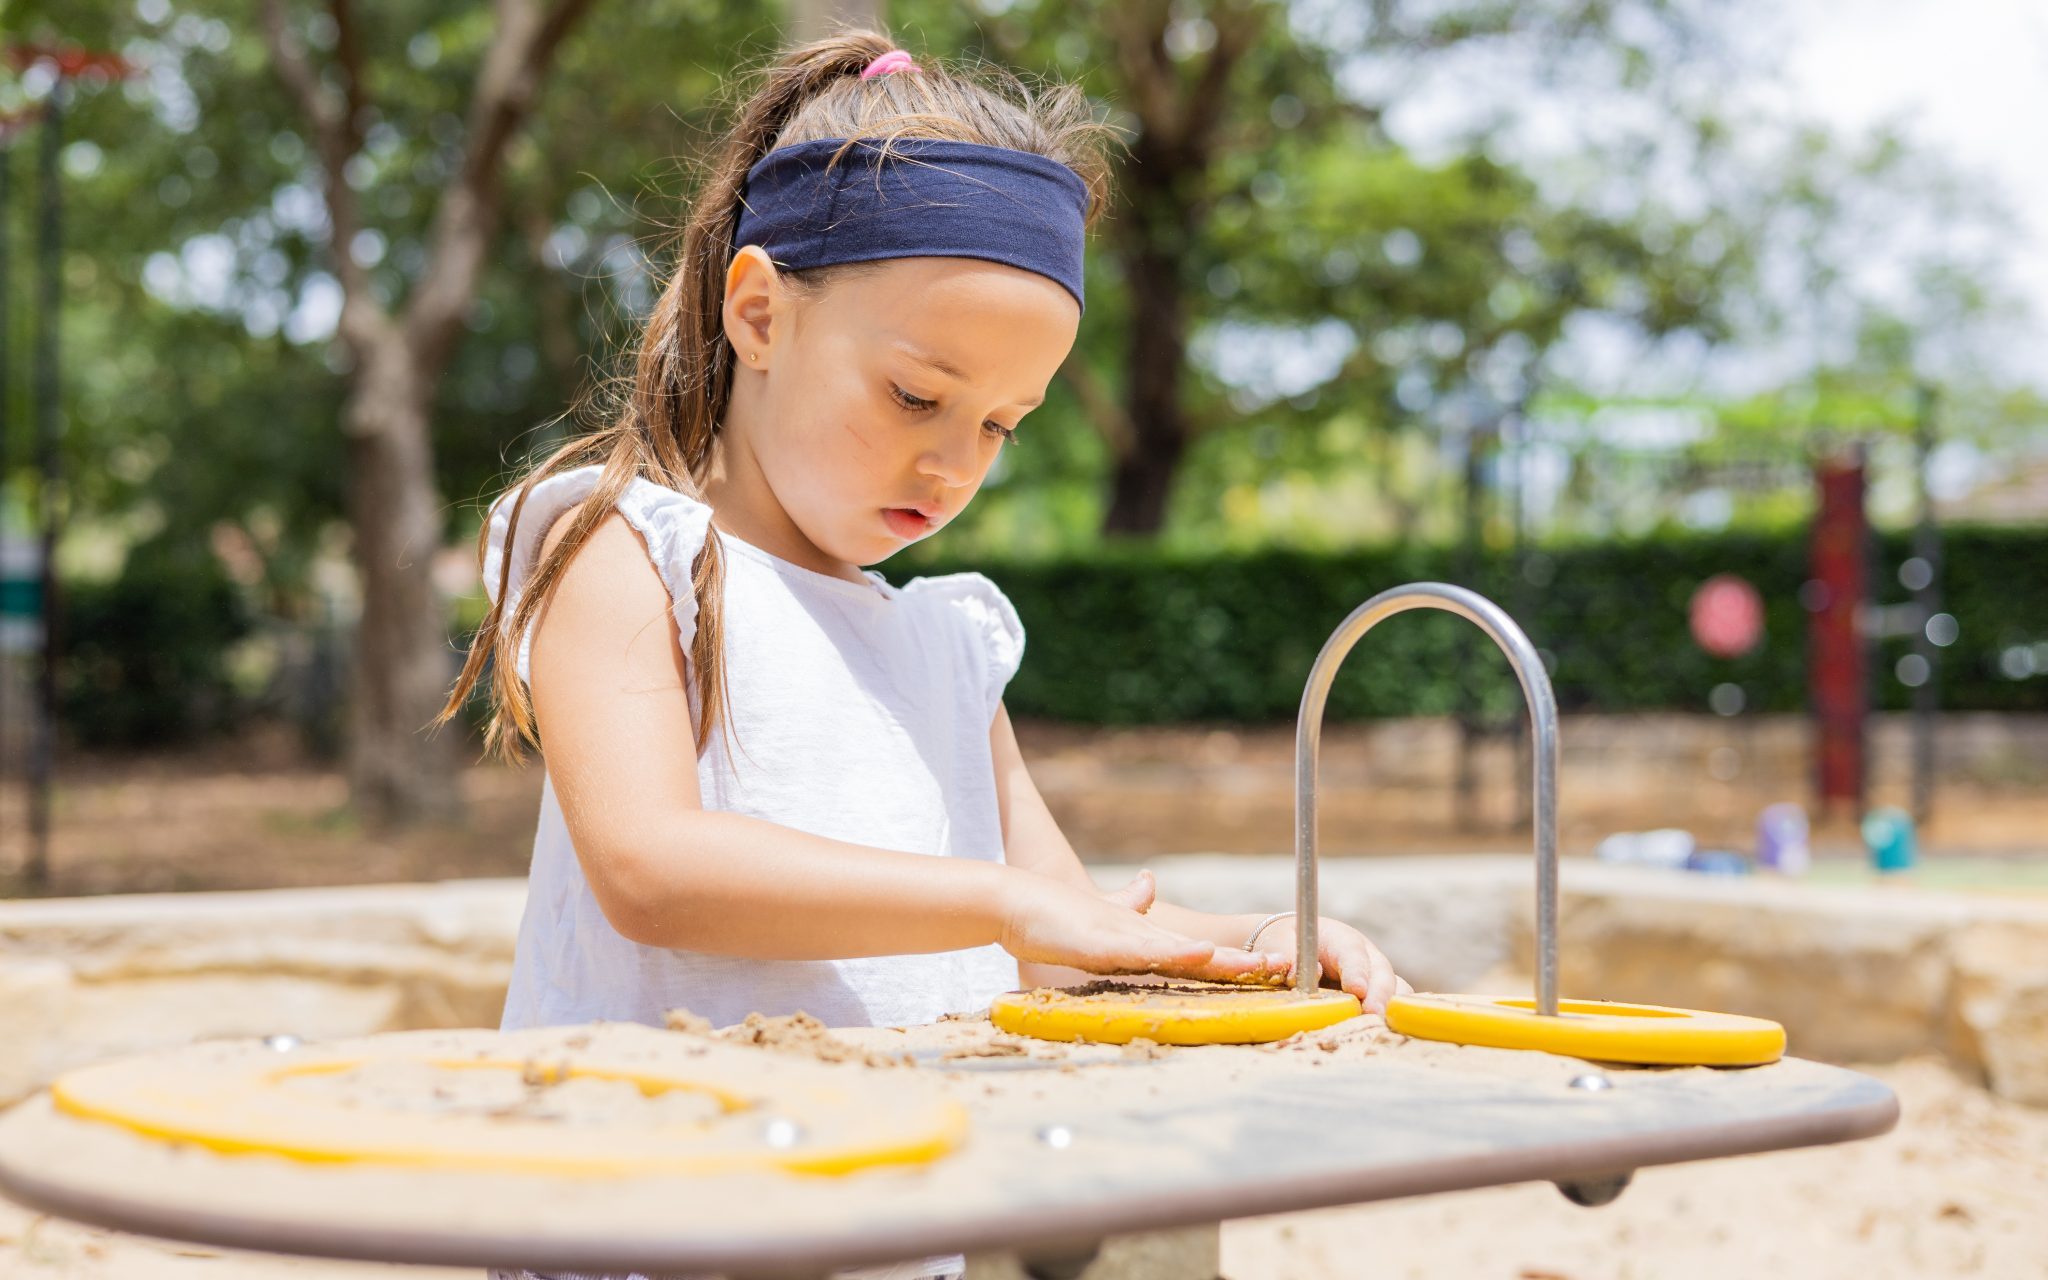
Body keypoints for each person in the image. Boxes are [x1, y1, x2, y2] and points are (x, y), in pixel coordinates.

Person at [436, 29, 1405, 1280]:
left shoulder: (945, 639)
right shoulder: (627, 543)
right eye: (914, 396)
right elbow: (651, 864)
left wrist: (1263, 940)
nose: (954, 463)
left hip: (885, 1231)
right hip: (652, 1219)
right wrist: (998, 898)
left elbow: (1064, 933)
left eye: (1002, 422)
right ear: (759, 310)